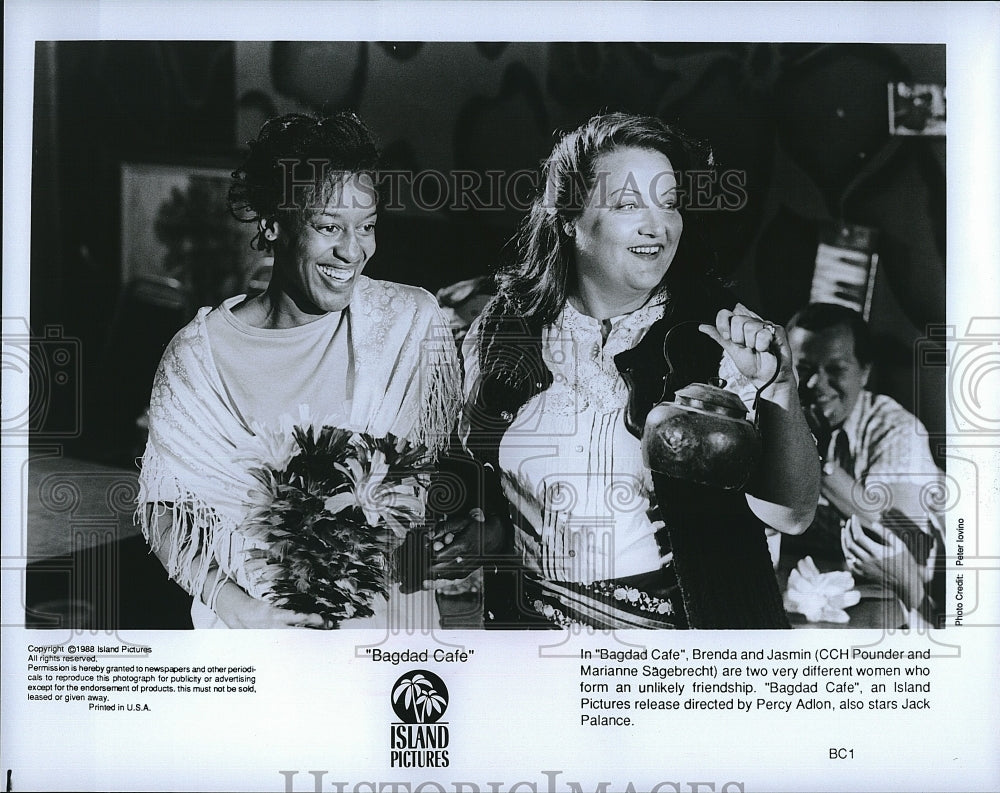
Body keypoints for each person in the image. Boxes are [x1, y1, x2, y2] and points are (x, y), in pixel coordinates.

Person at [431, 112, 820, 629]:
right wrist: (483, 533)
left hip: (686, 644)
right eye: (628, 204)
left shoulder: (722, 333)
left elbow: (792, 515)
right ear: (568, 218)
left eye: (669, 203)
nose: (656, 225)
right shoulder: (502, 326)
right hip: (536, 640)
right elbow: (489, 480)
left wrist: (780, 388)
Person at [137, 112, 461, 628]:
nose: (353, 251)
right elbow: (165, 511)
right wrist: (243, 611)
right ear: (273, 223)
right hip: (257, 640)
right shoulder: (196, 359)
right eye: (329, 226)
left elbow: (440, 467)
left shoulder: (407, 325)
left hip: (387, 636)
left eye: (368, 227)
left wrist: (454, 528)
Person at [783, 302, 943, 626]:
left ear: (864, 372)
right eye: (805, 369)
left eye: (837, 370)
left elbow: (897, 544)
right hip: (819, 578)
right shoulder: (779, 411)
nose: (817, 385)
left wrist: (817, 460)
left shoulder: (896, 430)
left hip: (916, 591)